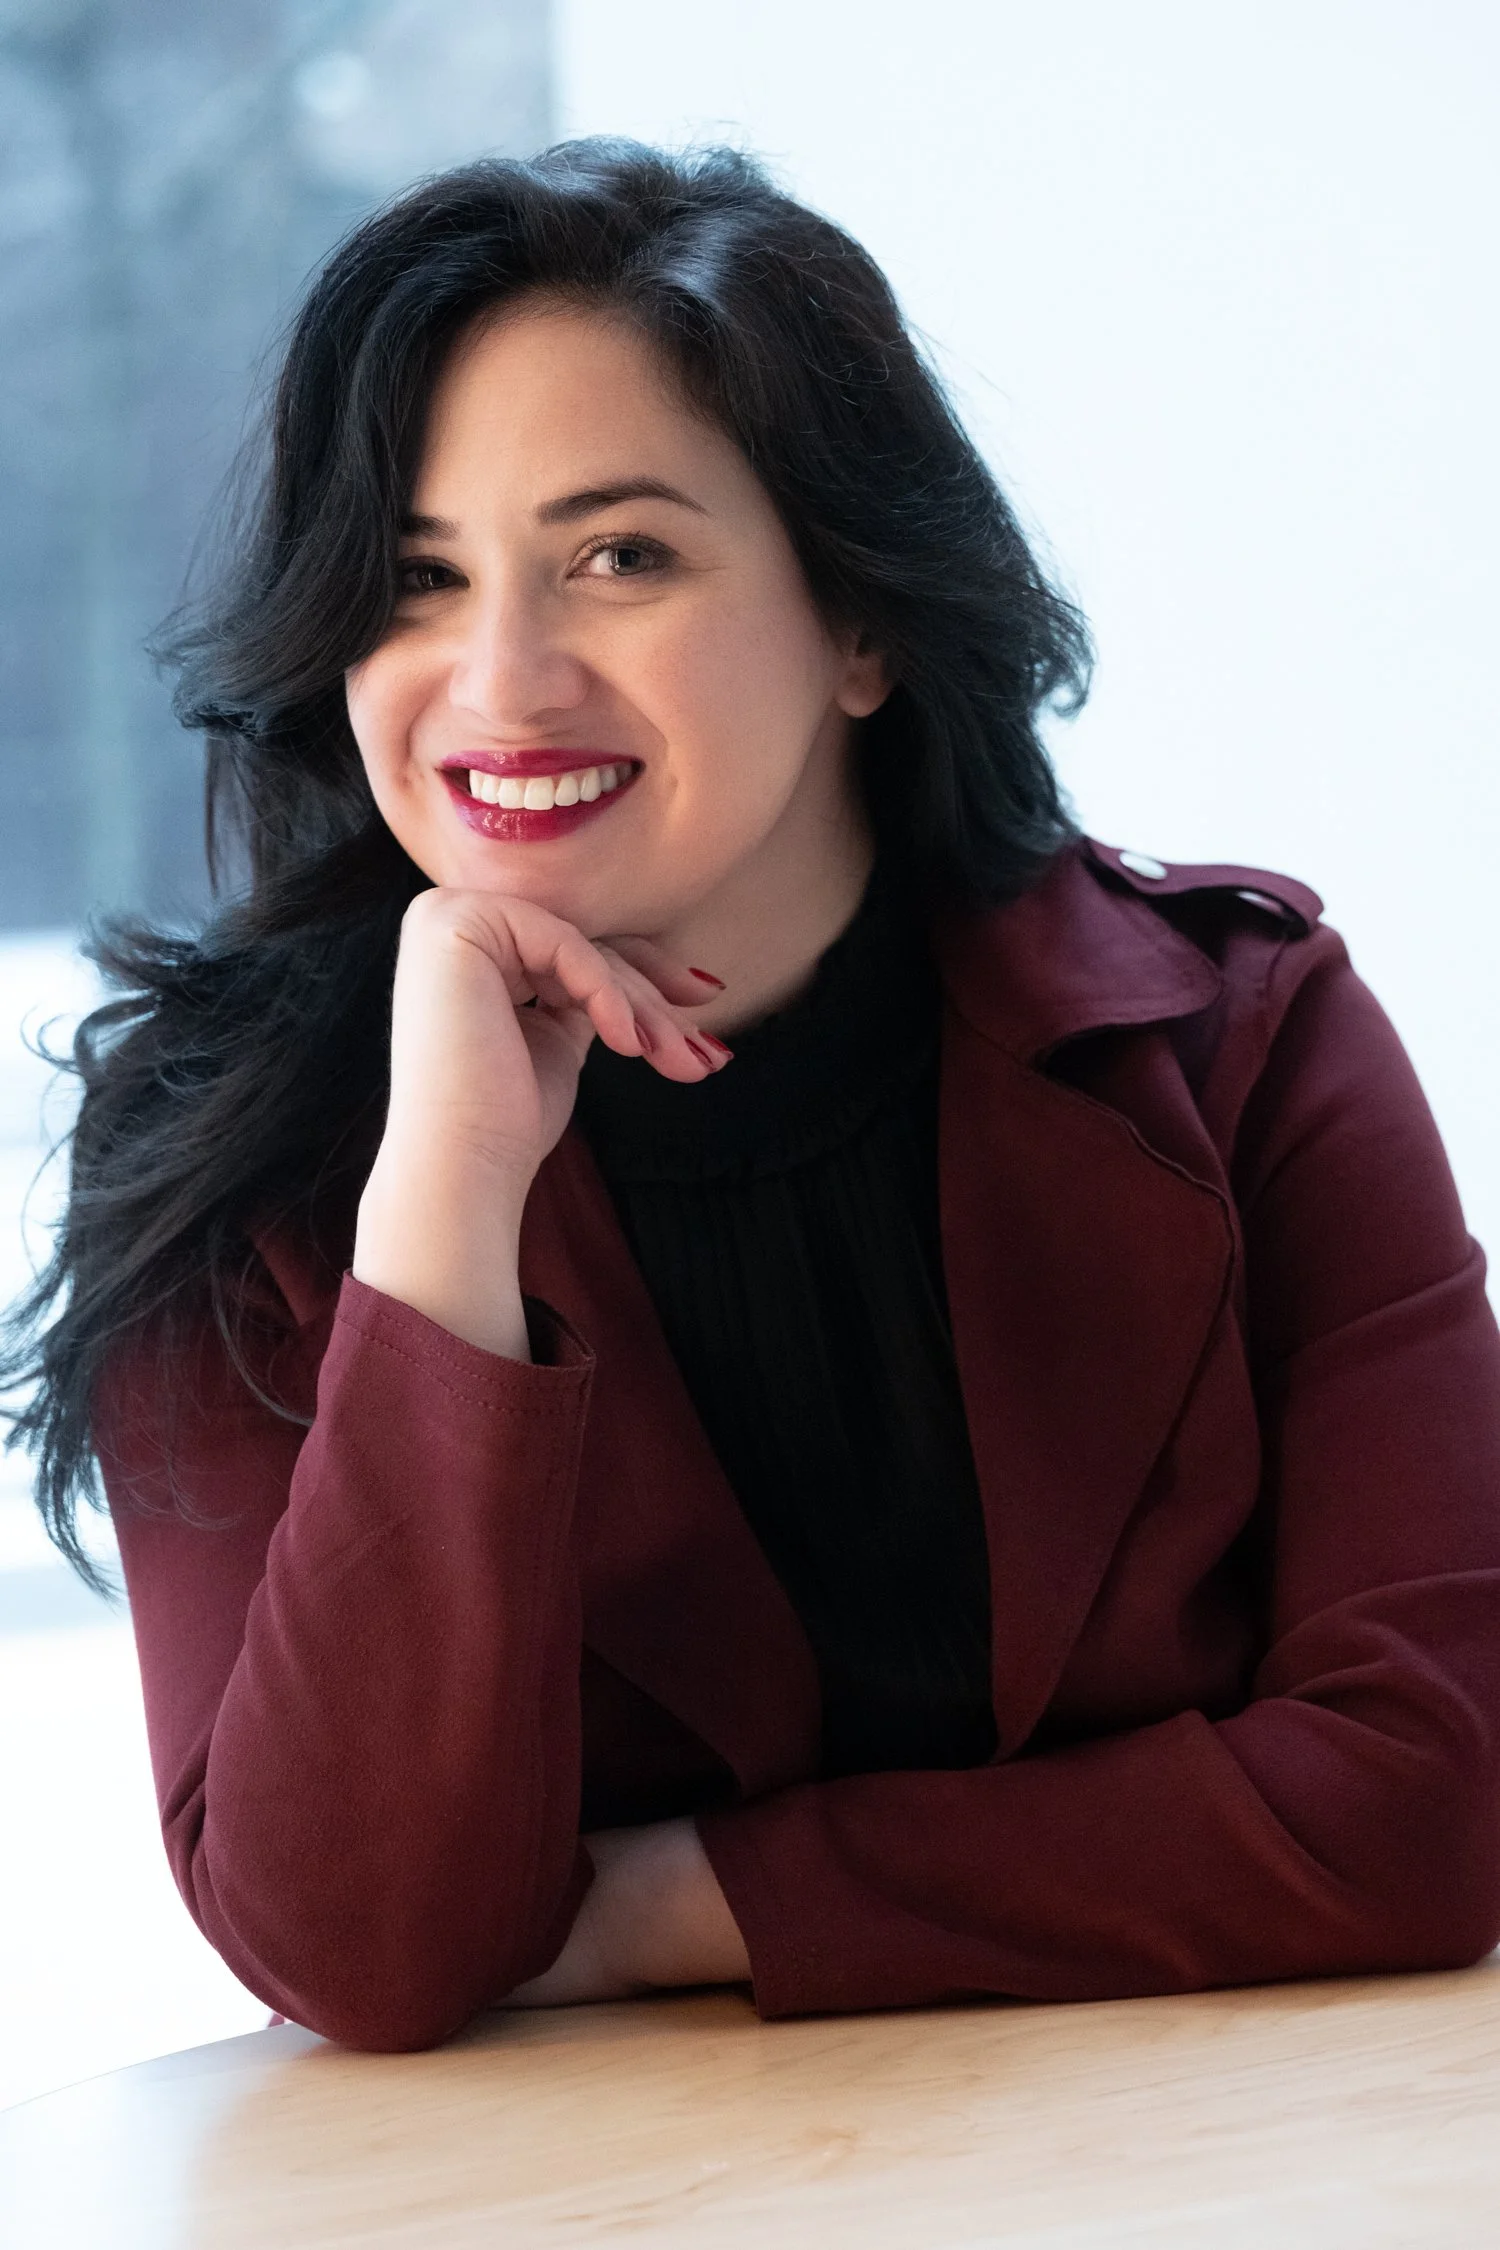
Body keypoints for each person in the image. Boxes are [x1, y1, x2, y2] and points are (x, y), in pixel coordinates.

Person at [6, 140, 1499, 2053]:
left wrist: (672, 1904)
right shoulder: (225, 1149)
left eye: (620, 555)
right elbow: (354, 1948)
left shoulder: (1247, 1042)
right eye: (416, 579)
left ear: (858, 620)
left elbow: (1427, 1802)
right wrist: (445, 1205)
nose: (502, 679)